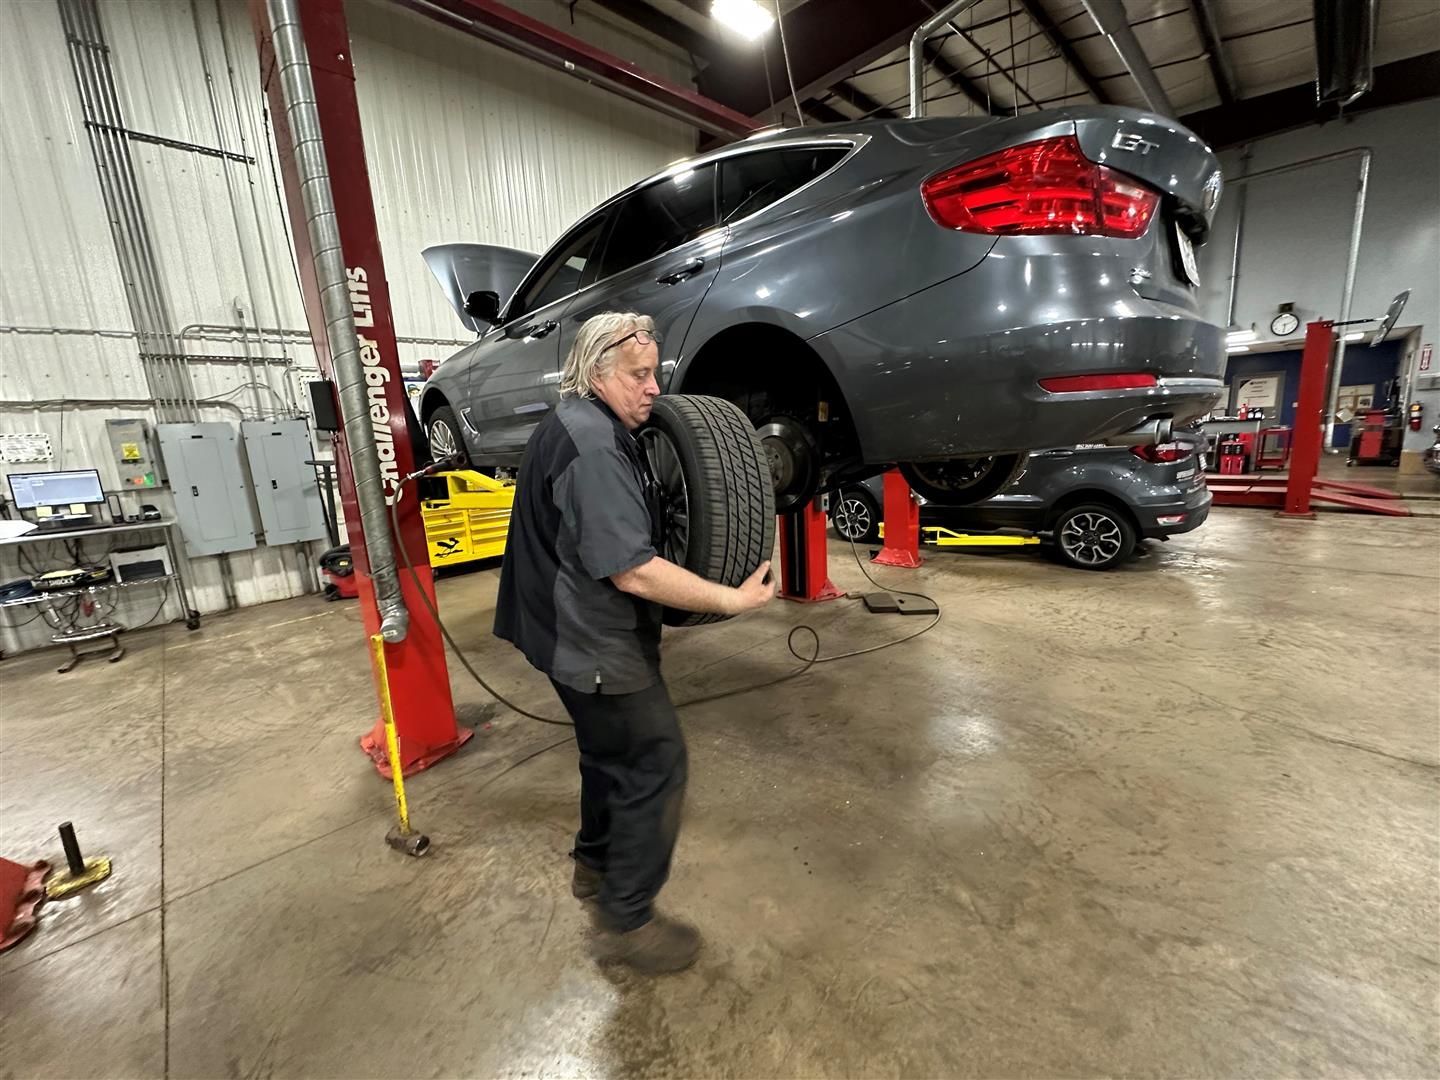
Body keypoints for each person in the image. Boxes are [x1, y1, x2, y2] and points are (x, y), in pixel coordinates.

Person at [494, 310, 775, 974]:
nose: (654, 388)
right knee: (657, 761)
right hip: (590, 641)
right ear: (598, 372)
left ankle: (593, 868)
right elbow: (635, 569)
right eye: (639, 375)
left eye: (657, 374)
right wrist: (732, 599)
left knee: (605, 754)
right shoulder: (594, 447)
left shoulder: (583, 422)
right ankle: (627, 919)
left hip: (568, 629)